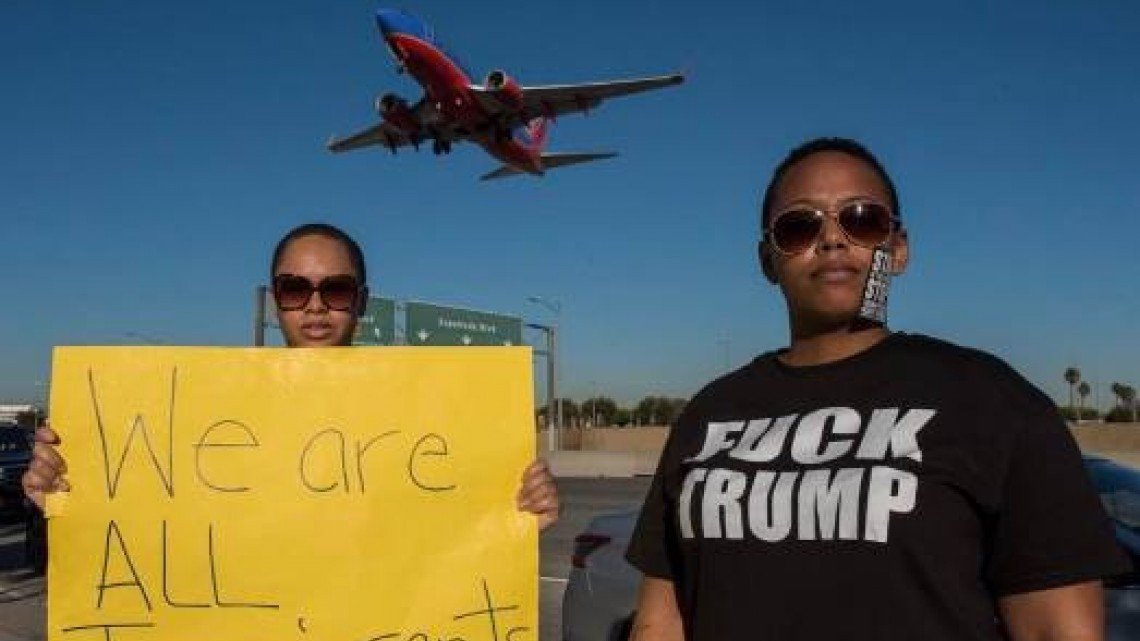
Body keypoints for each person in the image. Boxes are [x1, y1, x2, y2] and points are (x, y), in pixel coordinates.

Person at [626, 138, 1129, 641]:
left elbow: (1057, 630)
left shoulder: (993, 402)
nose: (832, 239)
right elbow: (660, 621)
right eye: (799, 227)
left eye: (862, 219)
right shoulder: (709, 414)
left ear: (898, 248)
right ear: (767, 259)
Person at [22, 222, 560, 531]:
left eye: (337, 289)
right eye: (295, 289)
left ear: (362, 301)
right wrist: (69, 494)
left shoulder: (427, 415)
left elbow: (441, 536)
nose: (316, 306)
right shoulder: (208, 414)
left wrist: (518, 515)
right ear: (276, 298)